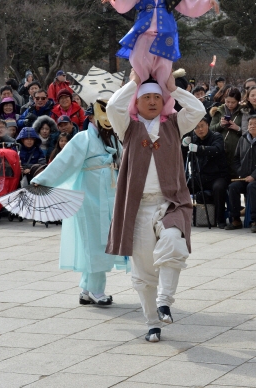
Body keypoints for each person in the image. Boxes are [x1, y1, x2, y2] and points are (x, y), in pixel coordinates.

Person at [105, 71, 205, 342]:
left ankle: (165, 301)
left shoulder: (174, 124)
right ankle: (152, 323)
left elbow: (198, 109)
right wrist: (134, 83)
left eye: (156, 97)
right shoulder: (127, 127)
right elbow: (113, 106)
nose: (151, 101)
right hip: (137, 208)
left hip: (169, 204)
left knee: (174, 243)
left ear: (164, 101)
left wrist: (174, 89)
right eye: (145, 97)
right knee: (145, 270)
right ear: (136, 102)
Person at [101, 0, 219, 115]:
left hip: (165, 40)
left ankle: (166, 112)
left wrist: (208, 0)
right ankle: (133, 111)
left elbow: (189, 0)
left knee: (165, 78)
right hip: (143, 38)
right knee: (139, 77)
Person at [32, 99, 126, 306]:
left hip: (109, 196)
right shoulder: (83, 138)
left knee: (101, 242)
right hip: (89, 198)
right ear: (91, 117)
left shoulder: (113, 140)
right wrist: (42, 180)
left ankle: (86, 288)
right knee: (95, 243)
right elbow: (63, 162)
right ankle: (96, 290)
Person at [182, 117, 230, 229]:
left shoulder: (216, 136)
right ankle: (183, 218)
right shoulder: (193, 139)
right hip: (199, 175)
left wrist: (199, 149)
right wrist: (184, 146)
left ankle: (220, 219)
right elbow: (183, 156)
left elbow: (217, 149)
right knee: (181, 188)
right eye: (196, 127)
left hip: (217, 175)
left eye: (202, 125)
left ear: (207, 125)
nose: (200, 129)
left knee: (219, 188)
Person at [210, 88, 243, 179]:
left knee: (235, 178)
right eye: (227, 101)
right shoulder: (219, 110)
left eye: (233, 102)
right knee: (221, 178)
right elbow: (211, 130)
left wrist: (238, 128)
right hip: (221, 149)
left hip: (237, 150)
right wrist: (220, 125)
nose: (230, 105)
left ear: (238, 101)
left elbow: (248, 131)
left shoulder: (243, 112)